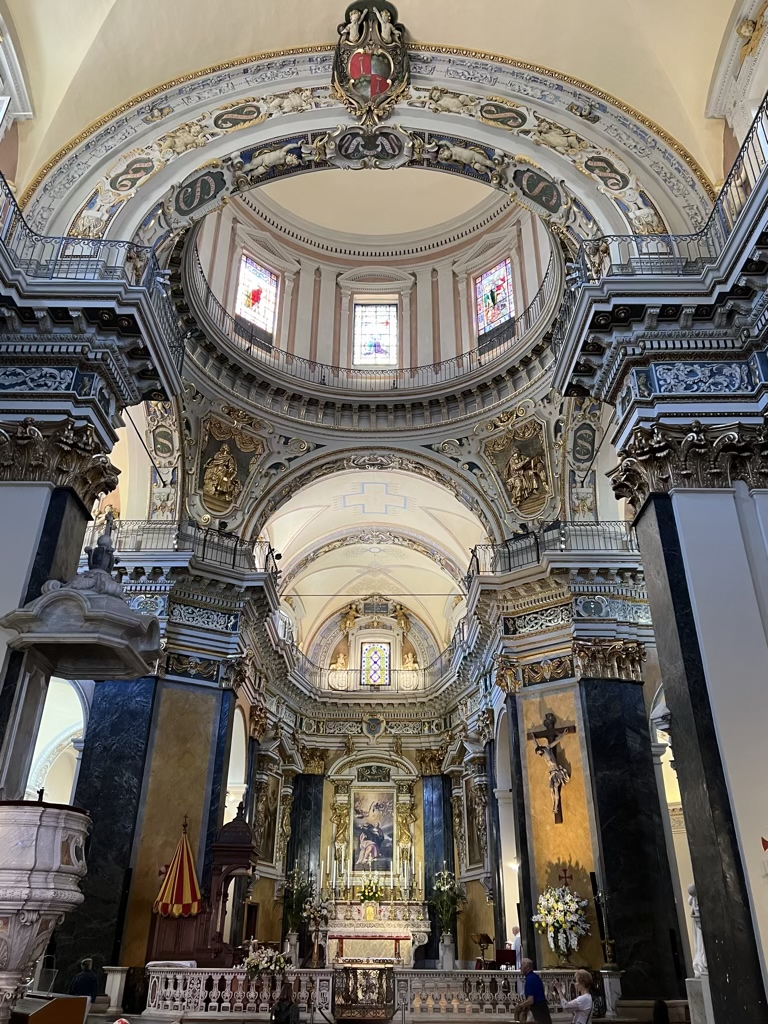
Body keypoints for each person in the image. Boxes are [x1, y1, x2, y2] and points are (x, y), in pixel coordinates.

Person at [515, 958, 553, 1024]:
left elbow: (530, 1000)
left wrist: (519, 1006)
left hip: (538, 1010)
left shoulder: (530, 979)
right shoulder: (535, 977)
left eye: (521, 965)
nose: (520, 967)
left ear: (526, 966)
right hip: (542, 1008)